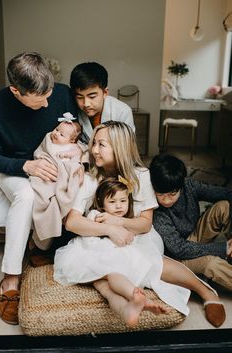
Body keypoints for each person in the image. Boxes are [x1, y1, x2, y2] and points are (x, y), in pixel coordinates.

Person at [62, 121, 225, 328]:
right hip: (100, 238)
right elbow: (72, 222)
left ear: (119, 146)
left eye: (101, 144)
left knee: (151, 263)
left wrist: (119, 222)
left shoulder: (140, 176)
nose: (93, 150)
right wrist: (110, 229)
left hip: (137, 235)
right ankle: (128, 305)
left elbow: (145, 224)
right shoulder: (90, 178)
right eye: (94, 143)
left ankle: (207, 292)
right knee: (100, 273)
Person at [0, 51, 77, 325]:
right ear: (16, 91)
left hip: (53, 164)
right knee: (27, 194)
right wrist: (26, 167)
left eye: (49, 94)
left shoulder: (63, 94)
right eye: (39, 98)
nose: (46, 105)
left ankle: (40, 244)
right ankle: (10, 277)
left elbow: (76, 131)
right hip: (15, 168)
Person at [54, 177, 168, 327]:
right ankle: (134, 295)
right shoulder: (97, 215)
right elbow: (89, 240)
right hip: (95, 256)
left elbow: (135, 235)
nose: (119, 206)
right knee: (113, 276)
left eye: (123, 201)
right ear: (102, 202)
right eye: (112, 202)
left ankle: (128, 309)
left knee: (108, 289)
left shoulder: (126, 219)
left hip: (110, 262)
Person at [149, 153, 232, 292]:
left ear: (181, 187)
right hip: (176, 258)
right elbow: (179, 249)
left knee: (224, 206)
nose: (166, 200)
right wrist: (223, 248)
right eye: (161, 194)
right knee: (211, 264)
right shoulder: (157, 212)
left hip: (195, 236)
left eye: (172, 194)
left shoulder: (189, 185)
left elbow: (226, 193)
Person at [30, 113, 89, 251]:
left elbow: (79, 157)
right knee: (44, 198)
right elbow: (41, 154)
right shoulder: (48, 140)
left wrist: (73, 160)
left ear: (72, 140)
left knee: (62, 197)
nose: (56, 134)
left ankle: (45, 241)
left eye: (62, 135)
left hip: (63, 177)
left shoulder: (74, 147)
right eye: (57, 129)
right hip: (48, 175)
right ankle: (40, 239)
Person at [69, 62, 135, 142]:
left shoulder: (122, 111)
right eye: (79, 97)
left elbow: (126, 147)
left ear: (105, 92)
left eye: (92, 97)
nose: (86, 104)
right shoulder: (72, 107)